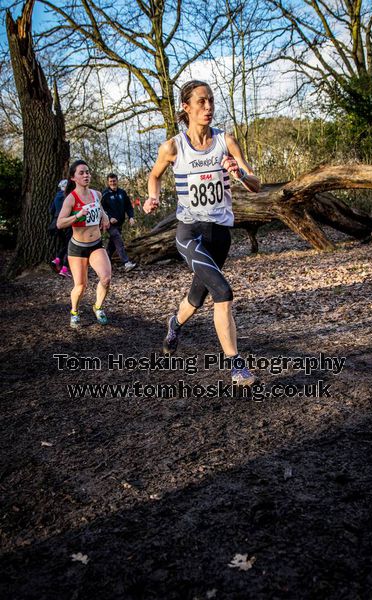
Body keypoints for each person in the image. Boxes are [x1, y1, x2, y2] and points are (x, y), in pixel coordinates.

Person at [143, 80, 260, 385]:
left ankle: (174, 323)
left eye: (210, 101)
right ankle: (236, 365)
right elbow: (154, 176)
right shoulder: (173, 146)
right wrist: (152, 196)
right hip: (190, 232)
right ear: (186, 107)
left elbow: (256, 184)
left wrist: (239, 172)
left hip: (220, 234)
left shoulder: (227, 141)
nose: (208, 108)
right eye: (201, 102)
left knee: (197, 296)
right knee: (223, 292)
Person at [57, 160, 111, 328]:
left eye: (87, 172)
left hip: (95, 245)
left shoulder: (97, 194)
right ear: (73, 178)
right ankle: (74, 311)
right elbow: (60, 223)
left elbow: (99, 208)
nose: (86, 175)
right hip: (78, 248)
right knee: (81, 286)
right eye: (81, 173)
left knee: (106, 278)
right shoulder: (70, 199)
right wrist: (78, 215)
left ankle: (98, 307)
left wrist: (105, 215)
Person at [102, 173, 136, 271]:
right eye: (111, 181)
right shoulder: (105, 194)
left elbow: (128, 206)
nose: (113, 183)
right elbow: (101, 209)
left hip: (120, 223)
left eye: (114, 181)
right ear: (108, 182)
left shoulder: (122, 193)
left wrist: (131, 217)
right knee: (118, 239)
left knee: (112, 245)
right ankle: (126, 263)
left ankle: (104, 263)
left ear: (117, 181)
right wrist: (109, 217)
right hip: (110, 224)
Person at [49, 179, 72, 277]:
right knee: (70, 246)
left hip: (56, 225)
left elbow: (51, 210)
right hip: (67, 224)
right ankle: (64, 269)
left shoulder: (56, 196)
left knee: (66, 244)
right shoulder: (68, 197)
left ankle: (57, 260)